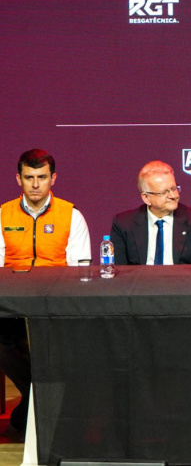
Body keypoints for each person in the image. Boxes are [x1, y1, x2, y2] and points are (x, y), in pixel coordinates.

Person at [0, 149, 91, 433]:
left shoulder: (72, 215)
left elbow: (80, 271)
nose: (35, 184)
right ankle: (35, 394)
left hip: (56, 309)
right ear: (18, 179)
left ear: (53, 178)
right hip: (11, 308)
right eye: (29, 177)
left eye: (42, 177)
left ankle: (34, 403)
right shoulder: (2, 214)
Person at [110, 161, 191, 265]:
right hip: (139, 281)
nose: (173, 196)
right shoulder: (123, 224)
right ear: (146, 198)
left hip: (182, 281)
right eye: (164, 192)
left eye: (174, 189)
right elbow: (119, 272)